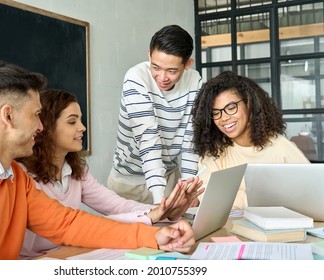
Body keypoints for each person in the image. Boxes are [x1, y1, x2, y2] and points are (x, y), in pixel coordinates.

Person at [0, 60, 196, 260]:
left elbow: (69, 223)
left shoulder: (15, 178)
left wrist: (155, 237)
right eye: (36, 115)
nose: (41, 127)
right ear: (8, 117)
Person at [18, 89, 204, 259]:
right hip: (39, 260)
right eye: (72, 121)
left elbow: (117, 206)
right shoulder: (23, 176)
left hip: (73, 252)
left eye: (81, 120)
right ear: (46, 128)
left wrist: (163, 211)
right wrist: (151, 216)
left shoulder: (76, 170)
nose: (82, 127)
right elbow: (80, 225)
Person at [107, 25, 203, 205]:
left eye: (172, 71)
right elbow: (148, 140)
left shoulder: (195, 81)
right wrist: (160, 203)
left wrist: (189, 191)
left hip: (170, 179)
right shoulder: (136, 78)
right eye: (156, 67)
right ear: (149, 54)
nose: (162, 77)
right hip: (128, 183)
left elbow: (191, 142)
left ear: (188, 64)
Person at [191, 70, 310, 210]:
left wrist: (234, 197)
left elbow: (309, 192)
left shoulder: (280, 147)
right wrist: (270, 198)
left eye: (231, 108)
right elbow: (208, 197)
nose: (223, 118)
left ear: (250, 104)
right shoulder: (215, 152)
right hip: (228, 230)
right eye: (216, 113)